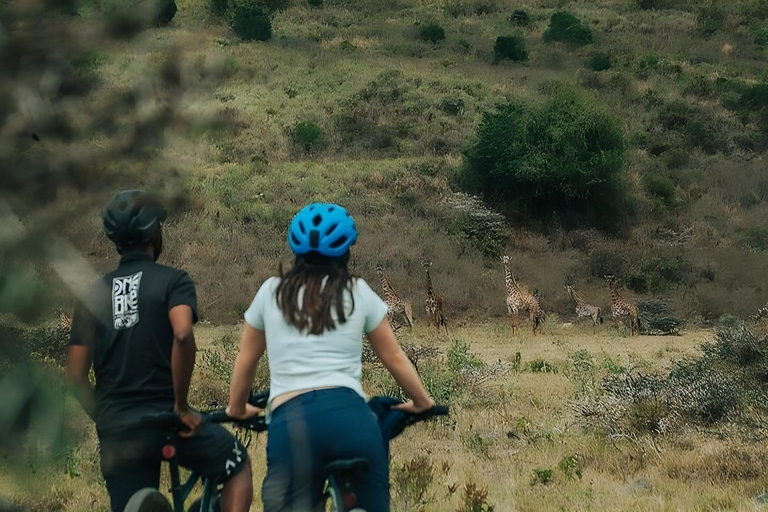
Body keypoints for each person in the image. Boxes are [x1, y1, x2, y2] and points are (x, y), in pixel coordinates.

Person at [226, 202, 435, 512]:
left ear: (296, 252)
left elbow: (246, 358)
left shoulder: (271, 291)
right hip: (351, 420)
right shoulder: (357, 290)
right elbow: (393, 356)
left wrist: (237, 408)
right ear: (346, 252)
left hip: (291, 424)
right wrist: (422, 402)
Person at [66, 190, 253, 512]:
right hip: (168, 421)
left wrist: (108, 418)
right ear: (155, 232)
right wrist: (180, 406)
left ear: (114, 239)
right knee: (237, 466)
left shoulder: (91, 296)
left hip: (119, 433)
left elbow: (74, 377)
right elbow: (182, 334)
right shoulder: (173, 281)